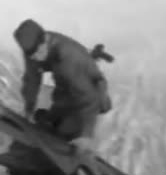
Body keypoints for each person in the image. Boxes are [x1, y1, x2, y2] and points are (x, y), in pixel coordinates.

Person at [12, 19, 113, 155]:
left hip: (91, 93)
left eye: (39, 52)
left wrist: (86, 135)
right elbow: (32, 79)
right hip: (65, 88)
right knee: (50, 123)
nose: (36, 58)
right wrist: (28, 109)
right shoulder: (32, 49)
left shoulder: (68, 58)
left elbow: (88, 97)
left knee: (67, 134)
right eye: (32, 55)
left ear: (46, 40)